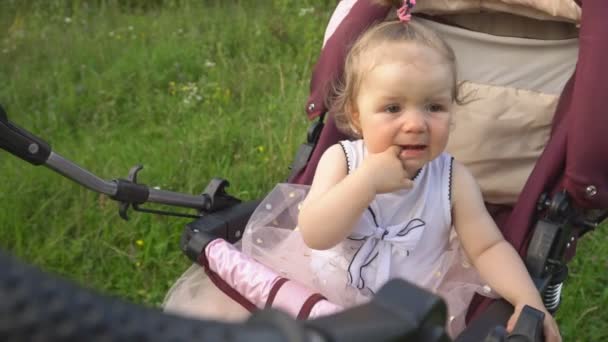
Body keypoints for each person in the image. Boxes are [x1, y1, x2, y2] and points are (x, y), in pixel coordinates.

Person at [164, 3, 561, 340]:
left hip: (407, 311)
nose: (416, 123)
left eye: (434, 107)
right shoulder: (342, 160)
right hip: (317, 294)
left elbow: (488, 248)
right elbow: (316, 232)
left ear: (452, 112)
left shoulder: (453, 179)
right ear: (356, 116)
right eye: (393, 108)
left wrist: (529, 300)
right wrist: (367, 181)